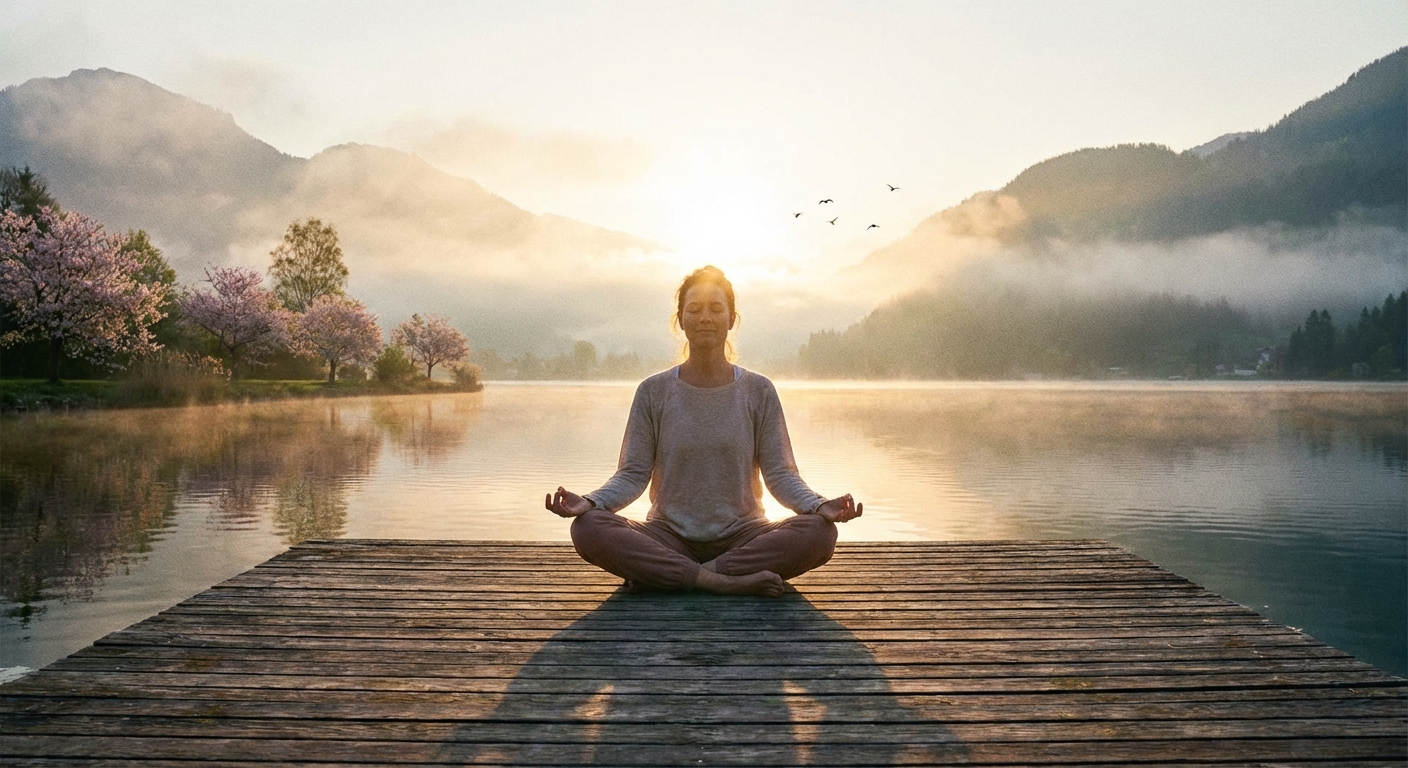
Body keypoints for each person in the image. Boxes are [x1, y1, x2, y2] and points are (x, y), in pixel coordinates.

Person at [545, 265, 862, 597]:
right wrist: (591, 502)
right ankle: (720, 582)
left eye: (715, 309)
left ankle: (677, 576)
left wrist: (818, 505)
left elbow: (781, 473)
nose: (705, 318)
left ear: (732, 319)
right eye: (694, 310)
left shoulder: (759, 391)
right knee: (588, 528)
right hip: (668, 537)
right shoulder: (653, 392)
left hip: (744, 536)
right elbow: (633, 474)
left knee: (819, 533)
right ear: (680, 321)